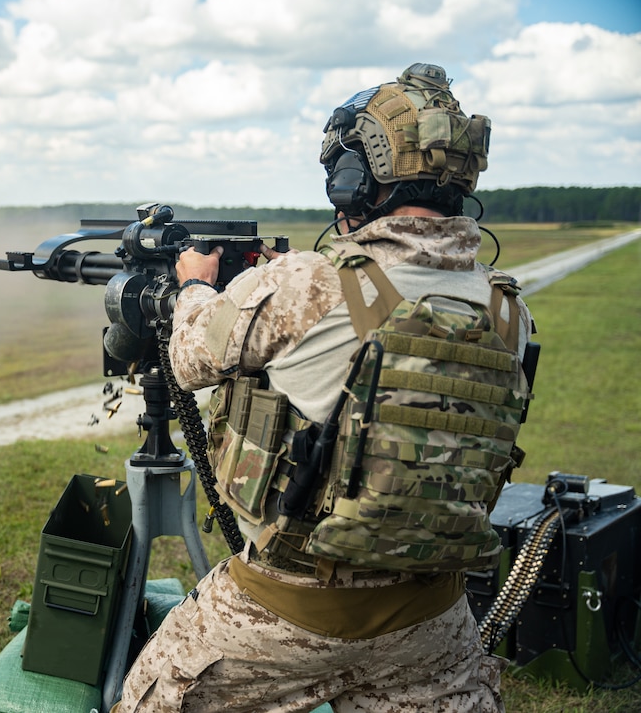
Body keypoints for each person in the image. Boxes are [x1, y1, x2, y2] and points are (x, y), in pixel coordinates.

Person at [114, 63, 535, 712]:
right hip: (430, 616)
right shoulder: (508, 310)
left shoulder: (305, 283)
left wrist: (196, 283)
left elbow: (191, 360)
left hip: (289, 608)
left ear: (355, 178)